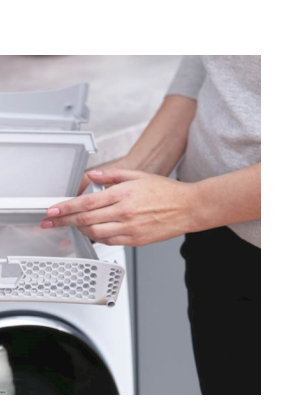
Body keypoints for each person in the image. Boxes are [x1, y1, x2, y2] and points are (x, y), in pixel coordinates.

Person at [41, 56, 261, 395]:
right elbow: (216, 65)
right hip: (215, 235)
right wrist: (142, 164)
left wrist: (194, 204)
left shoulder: (195, 205)